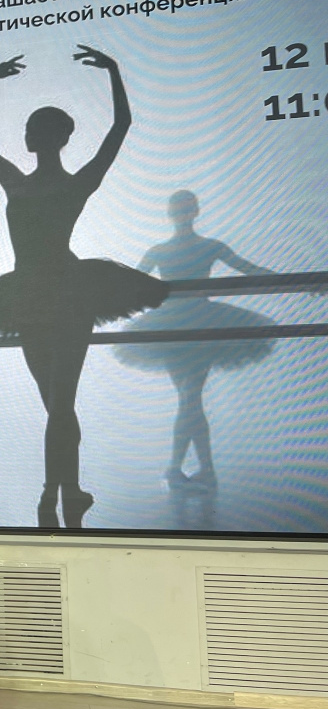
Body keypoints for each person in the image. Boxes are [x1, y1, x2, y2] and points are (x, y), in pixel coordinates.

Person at [0, 46, 167, 526]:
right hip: (57, 294)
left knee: (58, 403)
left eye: (31, 130)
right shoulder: (70, 185)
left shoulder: (20, 184)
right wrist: (113, 72)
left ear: (52, 138)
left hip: (39, 294)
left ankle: (52, 497)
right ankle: (68, 493)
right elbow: (119, 128)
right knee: (59, 404)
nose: (26, 136)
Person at [114, 189, 276, 487]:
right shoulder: (195, 247)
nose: (182, 214)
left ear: (189, 212)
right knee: (190, 399)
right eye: (180, 209)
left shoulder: (171, 250)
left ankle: (182, 469)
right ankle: (200, 470)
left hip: (181, 326)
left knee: (189, 398)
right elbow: (130, 285)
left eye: (184, 208)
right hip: (188, 325)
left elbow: (250, 270)